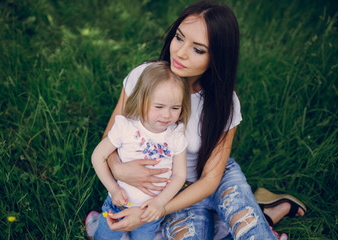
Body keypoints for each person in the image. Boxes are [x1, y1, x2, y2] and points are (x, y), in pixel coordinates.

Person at [86, 0, 306, 239]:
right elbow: (111, 137)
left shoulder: (226, 102)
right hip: (177, 192)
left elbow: (211, 179)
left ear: (217, 57)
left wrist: (157, 209)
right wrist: (119, 170)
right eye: (179, 38)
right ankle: (261, 212)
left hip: (213, 178)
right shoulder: (143, 77)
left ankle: (254, 214)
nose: (180, 52)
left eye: (198, 49)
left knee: (254, 234)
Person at [90, 61, 191, 240]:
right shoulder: (126, 127)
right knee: (105, 237)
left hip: (150, 211)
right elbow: (98, 156)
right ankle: (97, 228)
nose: (167, 115)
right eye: (159, 107)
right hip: (118, 205)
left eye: (175, 108)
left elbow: (179, 175)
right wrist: (113, 189)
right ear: (141, 100)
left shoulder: (176, 135)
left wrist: (160, 203)